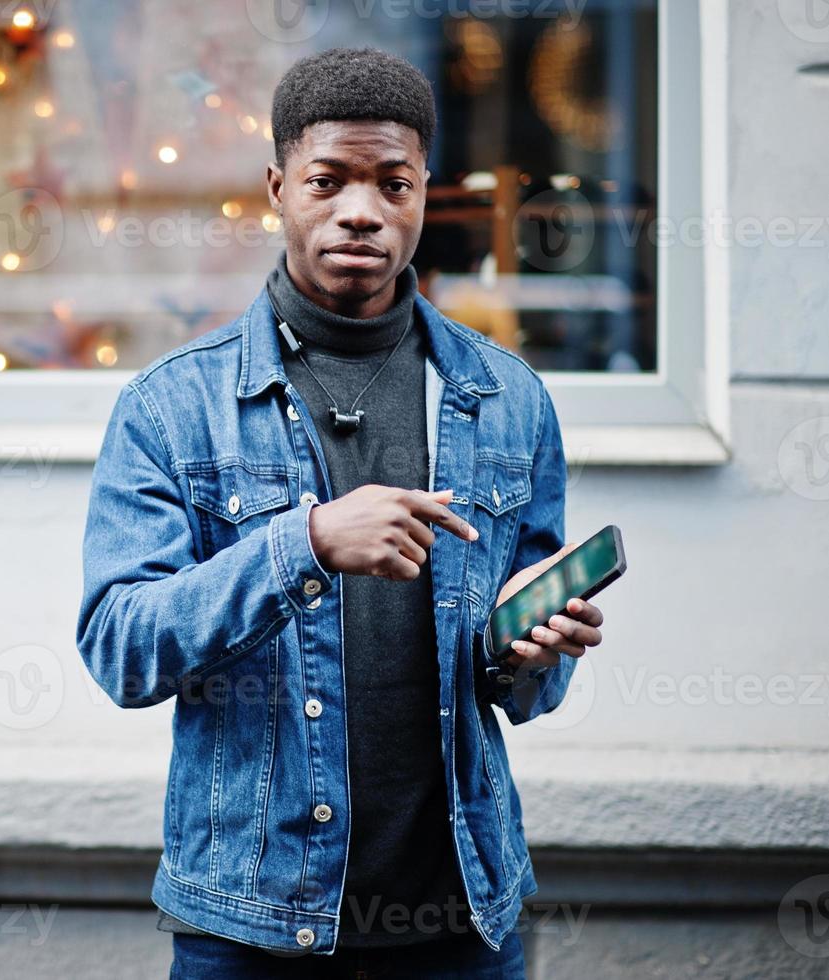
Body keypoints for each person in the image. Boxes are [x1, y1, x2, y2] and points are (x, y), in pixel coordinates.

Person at [76, 47, 604, 979]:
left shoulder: (505, 398)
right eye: (328, 180)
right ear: (279, 187)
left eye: (391, 182)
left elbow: (518, 688)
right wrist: (306, 543)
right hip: (252, 927)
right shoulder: (172, 407)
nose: (360, 209)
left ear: (422, 193)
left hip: (459, 923)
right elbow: (121, 646)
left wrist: (525, 650)